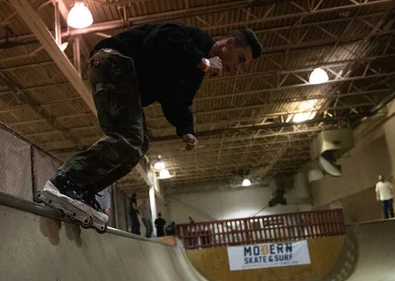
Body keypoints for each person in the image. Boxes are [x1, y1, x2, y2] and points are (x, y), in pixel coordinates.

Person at [41, 23, 263, 224]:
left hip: (123, 77)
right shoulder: (194, 38)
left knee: (140, 145)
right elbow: (161, 37)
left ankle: (83, 190)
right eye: (241, 59)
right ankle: (65, 180)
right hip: (115, 60)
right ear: (229, 44)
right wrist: (203, 62)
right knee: (131, 136)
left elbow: (176, 102)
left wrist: (186, 130)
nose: (238, 67)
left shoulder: (194, 75)